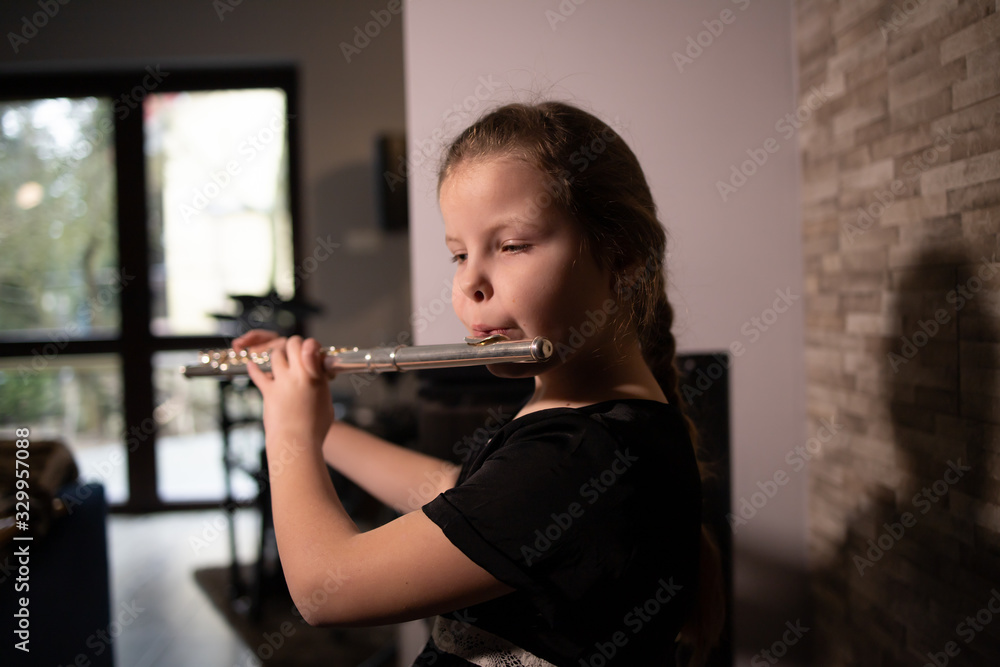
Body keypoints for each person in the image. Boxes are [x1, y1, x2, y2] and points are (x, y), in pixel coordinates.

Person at [234, 101, 725, 666]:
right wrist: (317, 422)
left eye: (512, 245)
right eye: (459, 254)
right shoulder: (579, 420)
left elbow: (326, 589)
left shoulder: (584, 453)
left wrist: (288, 433)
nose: (471, 282)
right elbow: (466, 497)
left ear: (622, 260)